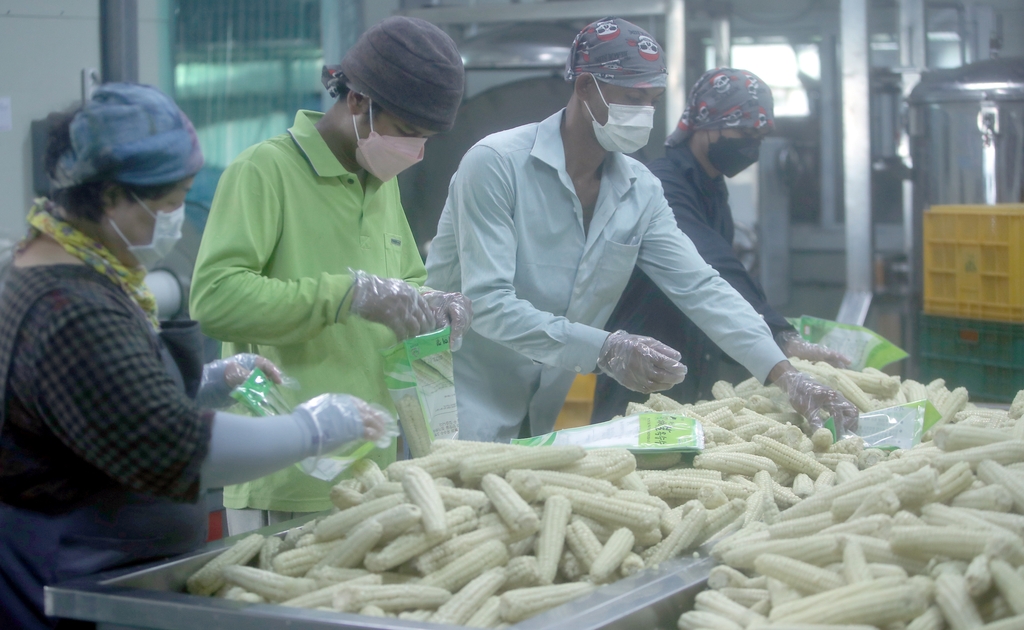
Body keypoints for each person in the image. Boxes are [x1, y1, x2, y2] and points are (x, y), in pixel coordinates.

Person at [0, 83, 391, 630]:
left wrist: (212, 380)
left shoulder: (79, 265)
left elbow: (110, 404)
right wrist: (315, 428)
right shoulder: (68, 307)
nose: (176, 220)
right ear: (110, 196)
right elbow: (178, 445)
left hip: (115, 566)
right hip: (76, 580)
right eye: (167, 203)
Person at [425, 17, 858, 443]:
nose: (644, 113)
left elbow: (701, 285)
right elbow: (488, 302)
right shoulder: (496, 164)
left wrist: (785, 374)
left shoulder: (640, 188)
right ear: (584, 87)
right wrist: (605, 348)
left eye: (651, 99)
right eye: (632, 96)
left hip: (542, 402)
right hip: (462, 394)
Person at [190, 16, 472, 535]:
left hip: (374, 474)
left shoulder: (378, 184)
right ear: (359, 101)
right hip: (286, 480)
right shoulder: (264, 172)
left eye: (426, 138)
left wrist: (433, 301)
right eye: (407, 133)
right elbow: (214, 298)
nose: (416, 152)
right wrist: (348, 295)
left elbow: (405, 279)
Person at [591, 68, 850, 423]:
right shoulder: (664, 184)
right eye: (743, 132)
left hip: (686, 361)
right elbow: (714, 268)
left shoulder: (711, 188)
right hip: (641, 368)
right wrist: (779, 334)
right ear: (707, 124)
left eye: (759, 136)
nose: (751, 146)